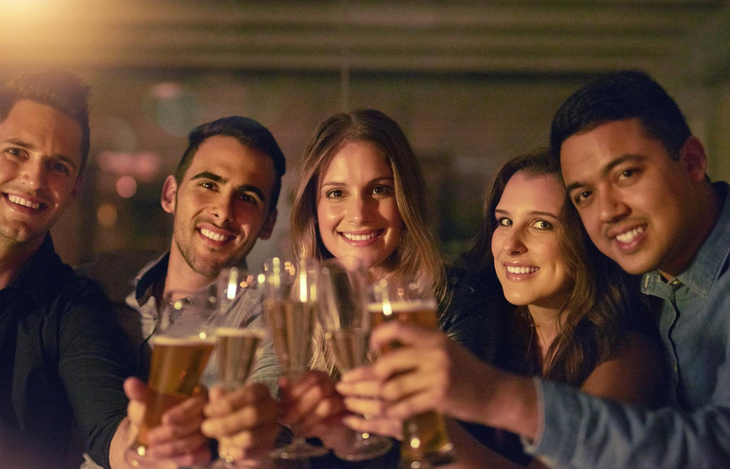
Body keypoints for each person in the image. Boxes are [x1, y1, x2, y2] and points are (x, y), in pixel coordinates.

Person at [341, 70, 730, 468]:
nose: (609, 211)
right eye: (585, 195)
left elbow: (713, 448)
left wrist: (475, 407)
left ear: (694, 161)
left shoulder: (626, 348)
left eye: (627, 174)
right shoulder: (483, 317)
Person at [339, 148, 665, 468]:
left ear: (588, 236)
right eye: (504, 221)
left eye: (541, 225)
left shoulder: (627, 356)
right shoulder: (484, 320)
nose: (511, 244)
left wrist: (429, 428)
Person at [0, 70, 128, 469]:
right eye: (17, 152)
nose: (34, 179)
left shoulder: (73, 306)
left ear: (74, 189)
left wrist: (157, 439)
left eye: (57, 166)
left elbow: (113, 435)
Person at [281, 109, 503, 460]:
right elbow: (275, 431)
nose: (358, 214)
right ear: (313, 207)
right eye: (337, 193)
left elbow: (468, 445)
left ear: (406, 200)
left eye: (379, 190)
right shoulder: (291, 307)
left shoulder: (457, 300)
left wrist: (413, 422)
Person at [79, 116, 286, 467]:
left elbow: (268, 430)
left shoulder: (268, 324)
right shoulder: (99, 281)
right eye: (208, 184)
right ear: (171, 194)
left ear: (267, 224)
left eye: (247, 197)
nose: (223, 211)